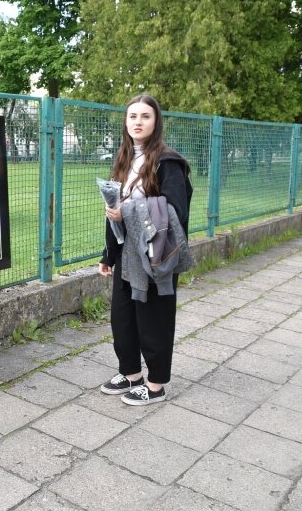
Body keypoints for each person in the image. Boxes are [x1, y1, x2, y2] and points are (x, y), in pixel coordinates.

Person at [98, 94, 192, 405]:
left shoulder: (168, 163)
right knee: (122, 319)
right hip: (126, 254)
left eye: (145, 116)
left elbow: (175, 211)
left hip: (155, 255)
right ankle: (131, 374)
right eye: (133, 116)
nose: (138, 122)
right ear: (126, 122)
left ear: (156, 122)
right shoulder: (124, 159)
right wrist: (108, 254)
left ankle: (155, 386)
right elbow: (115, 209)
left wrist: (128, 210)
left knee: (154, 320)